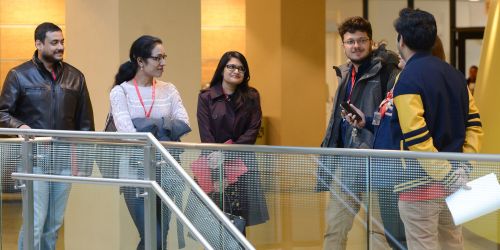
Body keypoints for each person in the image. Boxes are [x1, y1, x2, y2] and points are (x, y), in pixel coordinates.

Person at [357, 8, 482, 250]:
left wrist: (445, 174)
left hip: (417, 186)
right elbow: (474, 125)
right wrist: (463, 169)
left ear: (401, 40)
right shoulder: (456, 76)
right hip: (457, 185)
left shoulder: (407, 79)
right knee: (453, 244)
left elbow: (416, 135)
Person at [0, 22, 94, 250]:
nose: (60, 47)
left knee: (53, 225)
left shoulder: (76, 77)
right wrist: (19, 126)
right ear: (38, 44)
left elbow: (85, 124)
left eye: (62, 42)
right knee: (35, 221)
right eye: (54, 43)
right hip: (34, 160)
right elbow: (2, 113)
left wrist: (83, 162)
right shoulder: (18, 75)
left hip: (63, 160)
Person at [317, 16, 400, 250]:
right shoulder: (344, 74)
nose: (356, 46)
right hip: (348, 162)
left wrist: (368, 122)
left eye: (361, 40)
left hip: (378, 162)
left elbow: (394, 119)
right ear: (343, 45)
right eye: (350, 41)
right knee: (334, 227)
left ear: (371, 42)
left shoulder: (388, 71)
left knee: (378, 232)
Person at [110, 35, 191, 250]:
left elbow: (183, 123)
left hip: (168, 172)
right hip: (134, 173)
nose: (163, 63)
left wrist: (145, 126)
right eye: (157, 58)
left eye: (164, 57)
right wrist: (164, 127)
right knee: (151, 236)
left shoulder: (169, 89)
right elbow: (128, 134)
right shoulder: (121, 92)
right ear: (140, 61)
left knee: (160, 238)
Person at [196, 51, 269, 235]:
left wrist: (225, 153)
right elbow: (205, 132)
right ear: (222, 69)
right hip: (212, 163)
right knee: (212, 222)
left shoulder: (251, 96)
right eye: (231, 66)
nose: (236, 71)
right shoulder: (206, 97)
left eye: (241, 68)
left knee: (238, 222)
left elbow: (252, 131)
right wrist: (216, 154)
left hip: (241, 164)